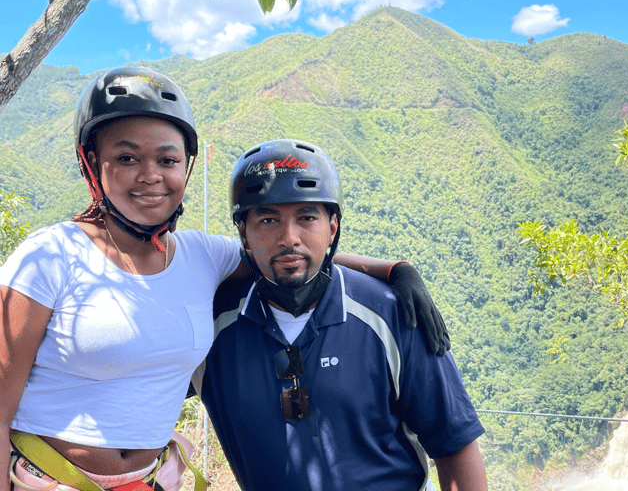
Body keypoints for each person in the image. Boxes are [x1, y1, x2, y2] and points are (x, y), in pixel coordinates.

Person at [0, 68, 447, 491]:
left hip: (153, 479)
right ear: (91, 162)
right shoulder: (48, 257)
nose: (150, 175)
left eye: (167, 159)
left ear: (186, 168)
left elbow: (286, 253)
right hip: (48, 476)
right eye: (126, 157)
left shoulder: (200, 256)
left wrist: (392, 269)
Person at [192, 139, 487, 491]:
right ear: (244, 232)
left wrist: (395, 271)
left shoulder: (390, 315)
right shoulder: (210, 327)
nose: (289, 237)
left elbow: (454, 445)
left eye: (307, 218)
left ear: (332, 227)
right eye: (268, 219)